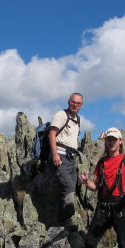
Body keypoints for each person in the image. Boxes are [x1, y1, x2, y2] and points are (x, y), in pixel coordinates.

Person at [49, 93, 83, 227]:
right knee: (68, 187)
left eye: (78, 103)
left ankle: (64, 220)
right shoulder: (61, 115)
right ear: (69, 102)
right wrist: (55, 154)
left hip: (71, 158)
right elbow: (51, 134)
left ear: (81, 105)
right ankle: (63, 220)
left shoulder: (77, 119)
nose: (75, 105)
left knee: (72, 188)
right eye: (73, 102)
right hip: (60, 156)